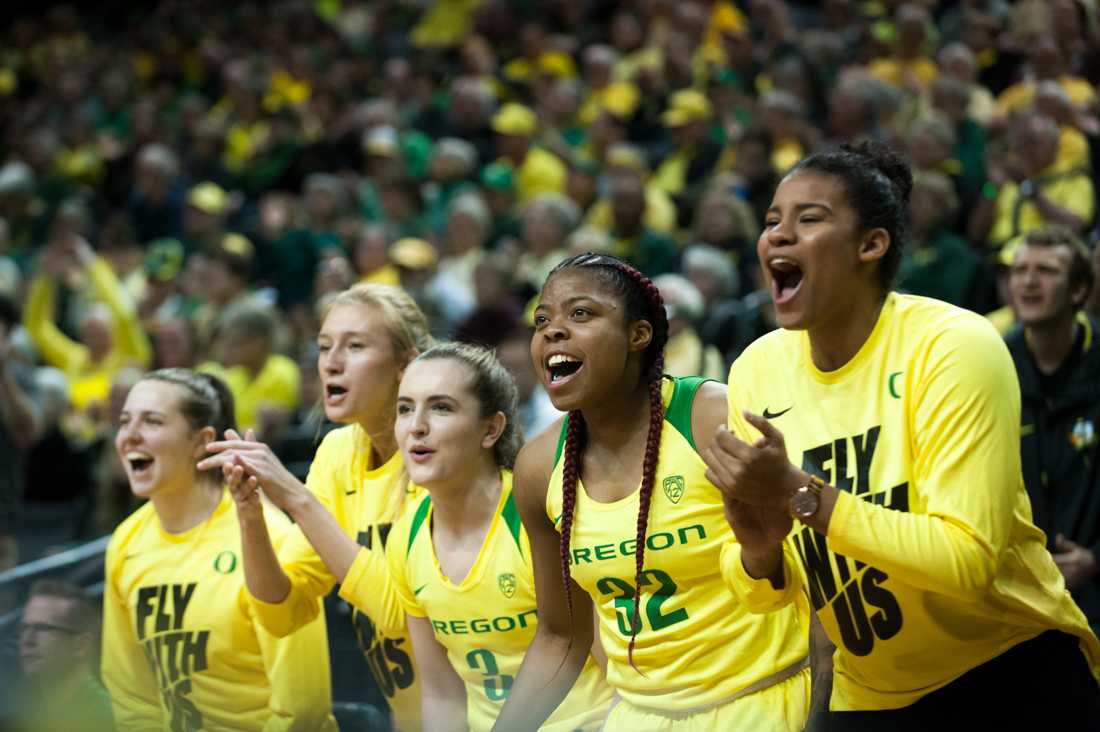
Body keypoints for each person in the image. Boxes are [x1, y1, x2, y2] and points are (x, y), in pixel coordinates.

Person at [703, 141, 1100, 730]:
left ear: (872, 244)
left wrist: (802, 494)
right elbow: (767, 594)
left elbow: (968, 562)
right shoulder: (756, 369)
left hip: (1008, 668)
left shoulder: (953, 346)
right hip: (872, 692)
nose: (777, 236)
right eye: (771, 222)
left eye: (809, 219)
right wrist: (760, 555)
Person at [492, 253, 809, 731]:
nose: (553, 330)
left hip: (763, 701)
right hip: (639, 716)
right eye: (543, 319)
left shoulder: (711, 418)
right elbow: (561, 637)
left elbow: (816, 575)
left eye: (581, 313)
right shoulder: (538, 468)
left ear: (638, 335)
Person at [198, 283, 435, 731]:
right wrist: (252, 516)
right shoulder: (337, 453)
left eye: (355, 346)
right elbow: (282, 611)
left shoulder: (435, 450)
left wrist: (295, 498)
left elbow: (397, 611)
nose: (331, 361)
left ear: (405, 363)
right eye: (325, 346)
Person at [385, 342, 612, 730]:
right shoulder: (405, 538)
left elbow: (617, 674)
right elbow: (443, 694)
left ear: (491, 429)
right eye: (405, 408)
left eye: (441, 407)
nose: (416, 426)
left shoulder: (539, 517)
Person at [102, 368, 337, 731]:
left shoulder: (265, 535)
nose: (130, 436)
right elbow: (131, 695)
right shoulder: (126, 542)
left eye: (152, 421)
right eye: (124, 421)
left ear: (202, 440)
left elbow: (301, 709)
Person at [1005, 227, 1100, 634]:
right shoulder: (993, 364)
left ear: (1078, 290)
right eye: (1020, 269)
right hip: (1018, 596)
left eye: (1045, 270)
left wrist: (1097, 559)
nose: (1028, 281)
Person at [16, 580, 114, 732]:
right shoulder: (31, 713)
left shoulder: (105, 719)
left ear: (82, 645)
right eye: (24, 628)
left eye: (43, 628)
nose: (27, 640)